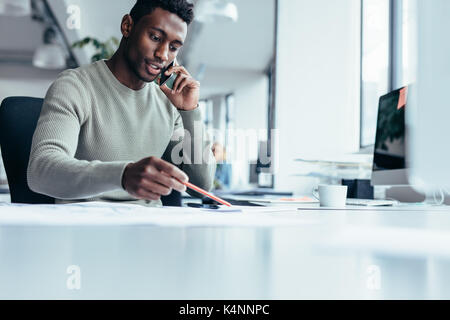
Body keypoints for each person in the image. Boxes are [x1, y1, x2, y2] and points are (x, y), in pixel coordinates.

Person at [27, 0, 216, 206]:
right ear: (127, 26)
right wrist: (122, 175)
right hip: (85, 228)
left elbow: (202, 186)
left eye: (173, 47)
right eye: (155, 37)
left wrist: (189, 111)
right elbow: (41, 171)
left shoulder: (168, 100)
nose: (163, 54)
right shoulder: (75, 86)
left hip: (150, 229)